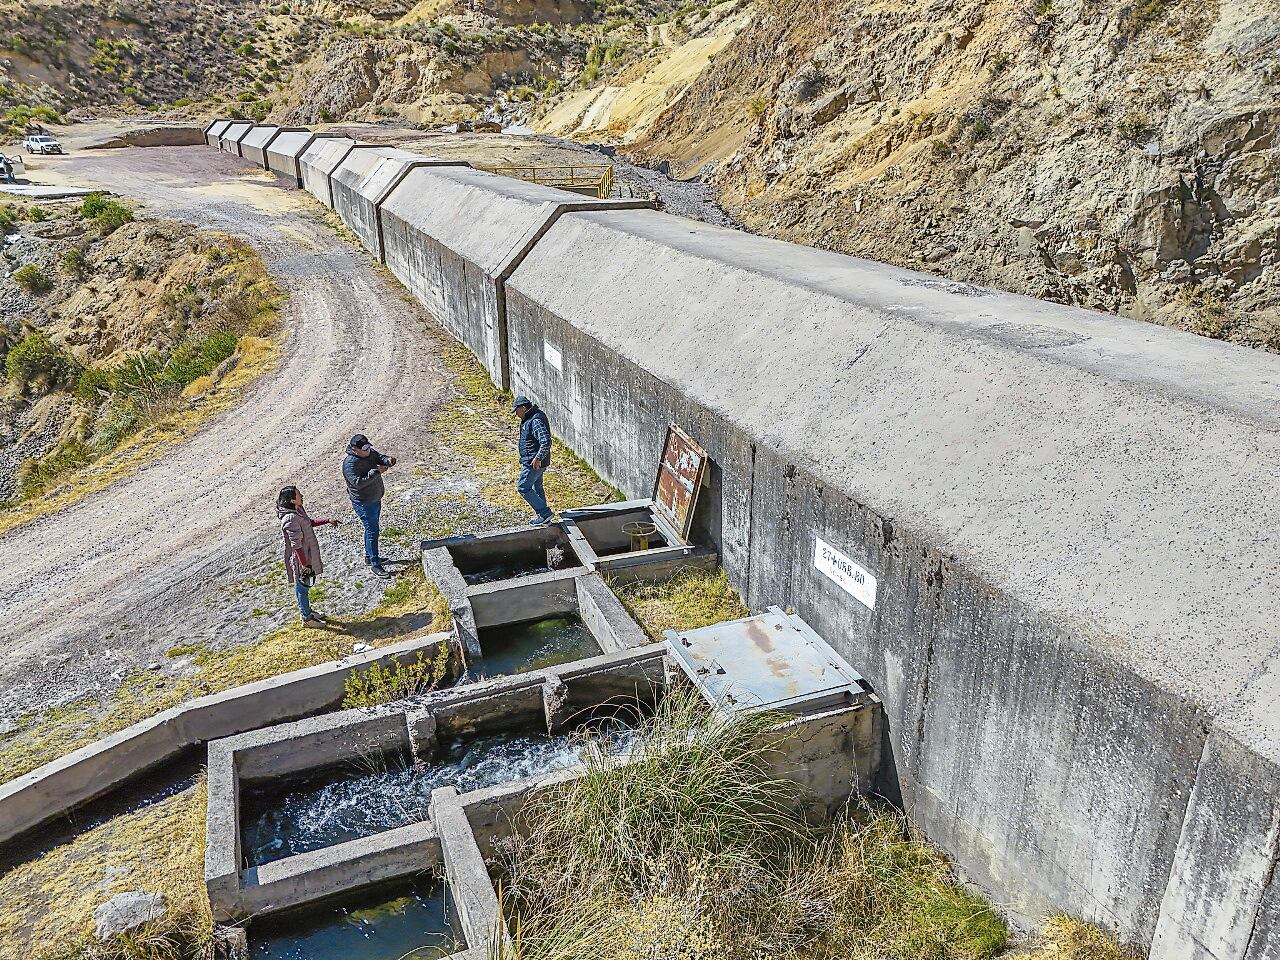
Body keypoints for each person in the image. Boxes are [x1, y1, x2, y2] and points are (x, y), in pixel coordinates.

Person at [278, 485, 338, 627]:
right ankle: (306, 618)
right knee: (302, 587)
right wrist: (304, 564)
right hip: (301, 558)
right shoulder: (290, 519)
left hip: (306, 556)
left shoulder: (298, 511)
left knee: (304, 586)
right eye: (299, 495)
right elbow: (296, 545)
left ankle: (308, 612)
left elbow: (309, 523)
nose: (302, 496)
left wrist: (327, 520)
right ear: (292, 500)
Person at [343, 433, 396, 576]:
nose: (368, 451)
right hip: (364, 503)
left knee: (370, 530)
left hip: (374, 498)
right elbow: (358, 483)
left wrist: (387, 460)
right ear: (355, 449)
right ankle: (375, 564)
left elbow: (379, 457)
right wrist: (376, 472)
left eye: (368, 448)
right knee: (372, 531)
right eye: (364, 449)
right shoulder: (350, 464)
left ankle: (370, 556)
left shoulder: (369, 453)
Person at [512, 395, 555, 525]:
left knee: (523, 487)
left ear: (523, 408)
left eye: (517, 411)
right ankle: (544, 516)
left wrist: (537, 458)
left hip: (533, 462)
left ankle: (544, 512)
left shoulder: (535, 420)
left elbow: (546, 441)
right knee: (537, 486)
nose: (516, 414)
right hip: (535, 461)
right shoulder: (532, 417)